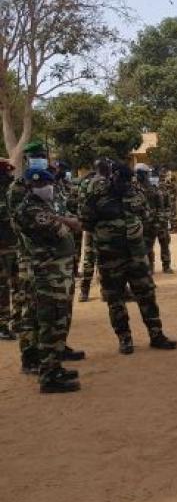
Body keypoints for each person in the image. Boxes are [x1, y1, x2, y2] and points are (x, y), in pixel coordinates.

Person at [81, 162, 177, 354]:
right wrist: (108, 233)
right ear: (113, 177)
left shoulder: (136, 194)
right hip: (110, 258)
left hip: (136, 256)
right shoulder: (97, 197)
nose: (125, 183)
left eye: (128, 180)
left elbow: (147, 217)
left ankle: (156, 335)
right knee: (115, 300)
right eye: (122, 179)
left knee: (147, 295)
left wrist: (138, 234)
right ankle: (125, 339)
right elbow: (87, 222)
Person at [15, 168, 82, 393]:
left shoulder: (44, 206)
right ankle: (48, 376)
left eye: (48, 183)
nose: (48, 188)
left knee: (57, 320)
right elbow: (62, 231)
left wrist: (62, 219)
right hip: (48, 273)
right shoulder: (30, 210)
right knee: (49, 322)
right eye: (43, 184)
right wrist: (64, 221)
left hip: (57, 272)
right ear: (32, 186)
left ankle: (55, 367)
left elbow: (75, 224)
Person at [77, 159, 111, 302]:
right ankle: (105, 291)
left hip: (89, 226)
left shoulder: (85, 183)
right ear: (106, 169)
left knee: (88, 258)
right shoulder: (108, 183)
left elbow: (80, 203)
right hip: (104, 227)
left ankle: (84, 292)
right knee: (104, 258)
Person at [0, 159, 18, 341]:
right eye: (6, 173)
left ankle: (17, 320)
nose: (9, 176)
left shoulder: (11, 192)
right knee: (2, 287)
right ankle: (2, 325)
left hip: (14, 246)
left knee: (18, 284)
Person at [134, 163, 162, 272]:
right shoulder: (133, 188)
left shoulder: (153, 189)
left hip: (151, 223)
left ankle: (150, 268)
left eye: (141, 174)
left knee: (149, 246)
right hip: (138, 223)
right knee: (139, 247)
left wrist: (158, 222)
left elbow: (160, 207)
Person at [150, 169, 174, 273]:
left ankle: (166, 266)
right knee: (149, 246)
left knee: (165, 244)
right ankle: (150, 267)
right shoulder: (146, 189)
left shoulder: (164, 190)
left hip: (162, 223)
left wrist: (166, 216)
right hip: (150, 223)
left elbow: (168, 206)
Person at [159, 166, 177, 233]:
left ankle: (175, 228)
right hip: (167, 196)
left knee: (173, 212)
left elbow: (173, 186)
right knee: (169, 212)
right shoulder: (164, 176)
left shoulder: (170, 176)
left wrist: (166, 185)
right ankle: (173, 227)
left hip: (171, 197)